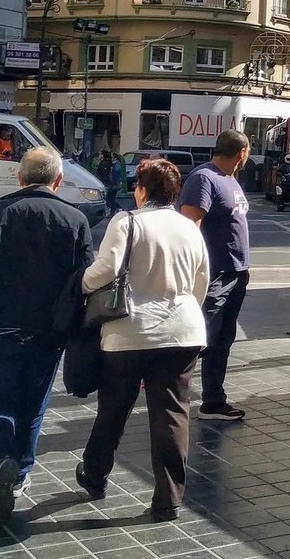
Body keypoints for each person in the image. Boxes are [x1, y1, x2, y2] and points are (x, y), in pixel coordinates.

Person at [0, 147, 93, 522]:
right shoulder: (75, 219)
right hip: (47, 330)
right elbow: (84, 278)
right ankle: (20, 472)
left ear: (19, 177)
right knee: (32, 405)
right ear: (58, 180)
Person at [76, 158, 210, 522]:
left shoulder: (127, 221)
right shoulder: (189, 227)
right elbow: (201, 280)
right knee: (172, 414)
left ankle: (95, 474)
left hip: (129, 332)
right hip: (183, 331)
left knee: (114, 408)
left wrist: (81, 284)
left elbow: (105, 269)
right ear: (174, 192)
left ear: (142, 190)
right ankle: (169, 498)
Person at [178, 129, 251, 422]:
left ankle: (213, 401)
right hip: (215, 275)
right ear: (242, 153)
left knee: (222, 340)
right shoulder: (204, 178)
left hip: (235, 272)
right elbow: (189, 227)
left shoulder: (229, 179)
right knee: (200, 336)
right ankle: (169, 390)